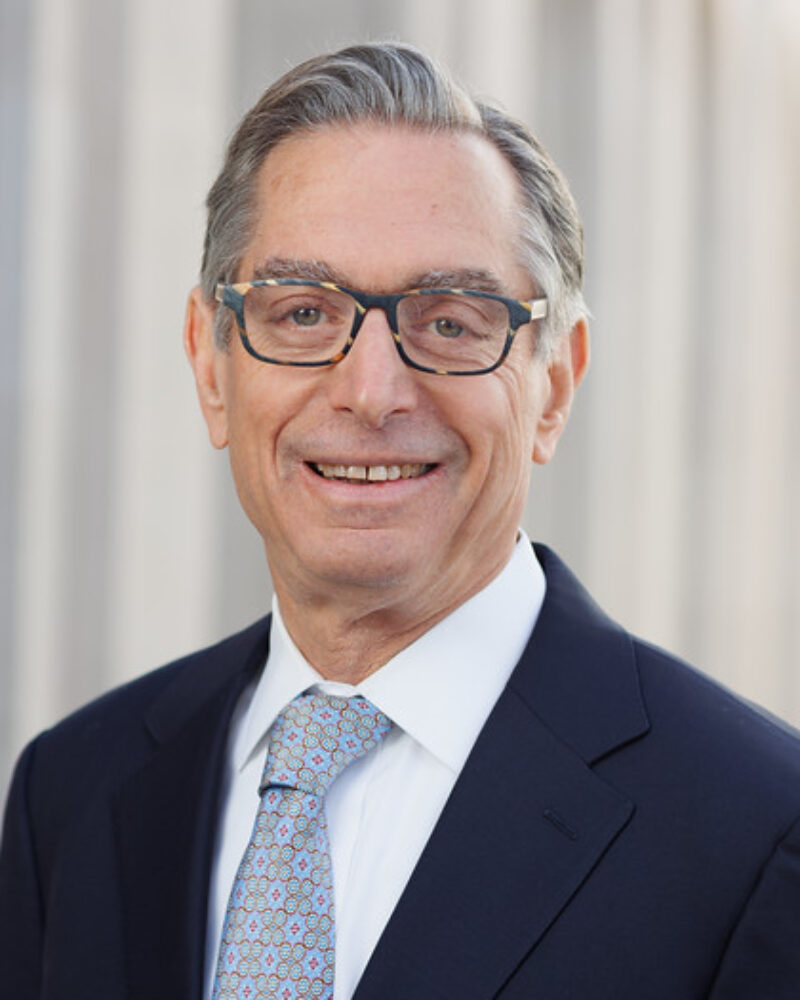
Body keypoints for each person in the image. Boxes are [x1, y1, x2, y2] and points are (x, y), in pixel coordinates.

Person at [1, 41, 799, 1000]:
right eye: (301, 313)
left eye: (451, 321)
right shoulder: (71, 792)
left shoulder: (757, 829)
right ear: (211, 368)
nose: (371, 391)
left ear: (554, 385)